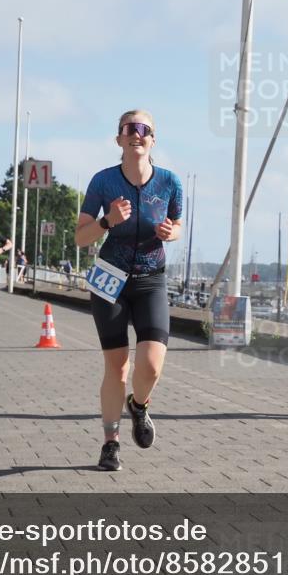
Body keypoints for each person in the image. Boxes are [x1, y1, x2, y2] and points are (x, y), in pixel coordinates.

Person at [75, 109, 183, 471]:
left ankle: (139, 406)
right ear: (119, 138)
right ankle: (110, 443)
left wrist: (172, 233)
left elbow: (178, 223)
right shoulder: (103, 182)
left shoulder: (170, 182)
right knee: (117, 368)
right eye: (129, 129)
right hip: (110, 279)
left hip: (151, 279)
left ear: (153, 140)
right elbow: (80, 237)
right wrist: (107, 221)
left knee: (151, 365)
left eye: (144, 130)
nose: (137, 134)